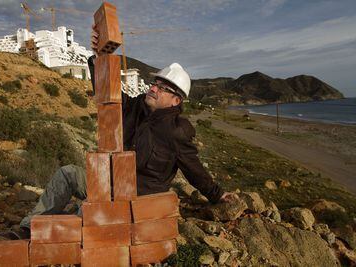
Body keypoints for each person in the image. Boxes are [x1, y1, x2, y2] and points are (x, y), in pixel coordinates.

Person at [12, 26, 238, 239]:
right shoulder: (135, 106)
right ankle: (27, 228)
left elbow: (193, 168)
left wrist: (217, 194)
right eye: (154, 83)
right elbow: (106, 93)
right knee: (68, 173)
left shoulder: (176, 131)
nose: (153, 88)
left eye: (162, 88)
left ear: (175, 100)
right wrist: (99, 57)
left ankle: (43, 237)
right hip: (109, 184)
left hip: (134, 199)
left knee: (88, 214)